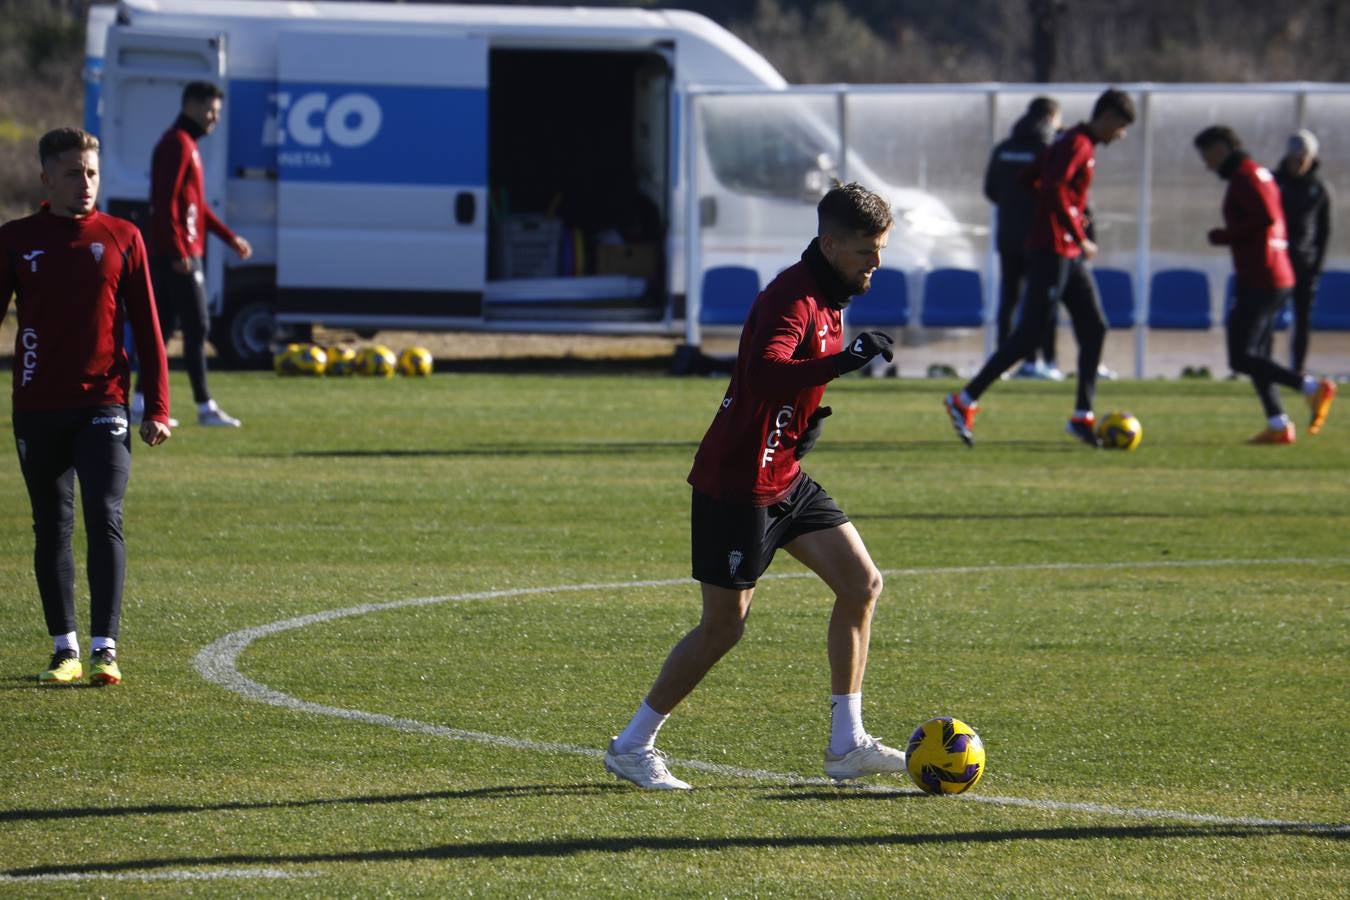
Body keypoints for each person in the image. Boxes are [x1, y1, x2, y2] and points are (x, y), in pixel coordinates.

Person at [603, 183, 901, 790]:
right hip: (738, 483)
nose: (877, 263)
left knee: (861, 582)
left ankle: (846, 744)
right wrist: (845, 364)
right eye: (868, 251)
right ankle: (632, 745)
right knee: (724, 627)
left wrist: (805, 421)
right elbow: (764, 372)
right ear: (830, 243)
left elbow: (787, 387)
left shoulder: (832, 294)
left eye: (881, 250)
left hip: (785, 475)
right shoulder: (790, 298)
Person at [0, 128, 172, 685]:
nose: (86, 183)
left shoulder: (124, 236)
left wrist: (159, 406)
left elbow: (148, 328)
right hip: (37, 403)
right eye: (74, 173)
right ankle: (64, 648)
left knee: (105, 513)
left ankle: (105, 648)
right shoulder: (15, 239)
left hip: (105, 401)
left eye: (93, 172)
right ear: (47, 178)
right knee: (52, 524)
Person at [945, 88, 1136, 448]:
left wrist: (1059, 223)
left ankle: (1083, 415)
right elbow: (1052, 187)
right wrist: (1077, 234)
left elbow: (1027, 180)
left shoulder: (1067, 141)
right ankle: (964, 399)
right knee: (1030, 333)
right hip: (1053, 251)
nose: (1120, 135)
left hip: (1063, 250)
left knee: (1094, 326)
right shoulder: (1077, 143)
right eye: (1122, 127)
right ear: (1109, 116)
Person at [1194, 126, 1335, 443]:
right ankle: (1278, 423)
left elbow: (1267, 217)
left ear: (1220, 149)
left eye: (1207, 156)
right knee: (1255, 354)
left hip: (1263, 276)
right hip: (1270, 273)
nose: (1207, 165)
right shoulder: (1259, 173)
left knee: (1241, 356)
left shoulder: (1246, 176)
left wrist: (1224, 236)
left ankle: (1311, 387)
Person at [132, 80, 251, 428]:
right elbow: (164, 202)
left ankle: (141, 401)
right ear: (192, 107)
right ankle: (204, 406)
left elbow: (194, 205)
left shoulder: (187, 145)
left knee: (165, 327)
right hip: (178, 253)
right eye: (211, 111)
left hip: (180, 249)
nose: (214, 119)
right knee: (198, 326)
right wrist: (177, 251)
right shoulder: (176, 144)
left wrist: (229, 238)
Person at [984, 96, 1063, 381]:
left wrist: (1011, 206)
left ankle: (1002, 362)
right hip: (1039, 238)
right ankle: (1040, 361)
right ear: (1050, 118)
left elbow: (991, 190)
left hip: (1007, 236)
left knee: (1008, 300)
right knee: (1041, 300)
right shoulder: (1047, 149)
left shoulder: (1004, 149)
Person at [1274, 129, 1333, 375]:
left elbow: (1323, 232)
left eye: (1303, 157)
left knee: (1302, 320)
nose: (1298, 162)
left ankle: (1296, 370)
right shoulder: (1275, 182)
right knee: (1265, 319)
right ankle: (1263, 369)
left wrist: (1316, 266)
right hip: (1276, 261)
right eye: (1294, 157)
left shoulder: (1318, 188)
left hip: (1303, 264)